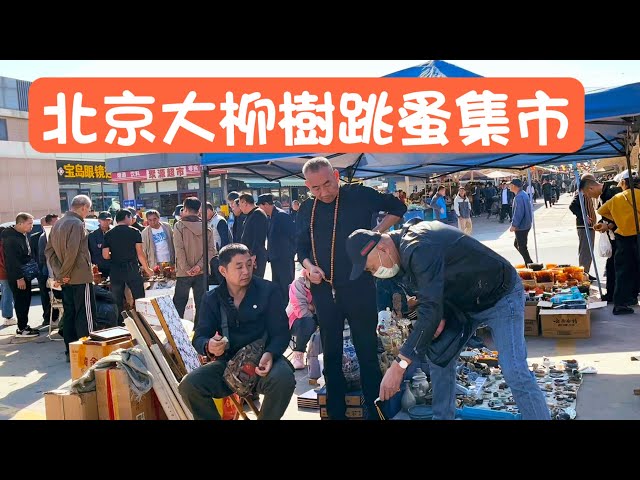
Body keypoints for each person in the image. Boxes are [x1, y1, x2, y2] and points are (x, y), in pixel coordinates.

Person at [345, 223, 551, 420]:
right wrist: (440, 314)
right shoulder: (397, 255)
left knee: (514, 370)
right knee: (439, 359)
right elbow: (432, 294)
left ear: (382, 248)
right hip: (462, 303)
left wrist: (399, 365)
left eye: (371, 268)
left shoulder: (418, 246)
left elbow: (430, 310)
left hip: (499, 294)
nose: (374, 273)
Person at [296, 157, 406, 420]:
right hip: (324, 289)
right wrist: (310, 266)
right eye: (315, 189)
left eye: (327, 184)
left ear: (336, 175)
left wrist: (375, 234)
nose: (323, 193)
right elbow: (300, 249)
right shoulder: (306, 209)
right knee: (331, 354)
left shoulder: (358, 194)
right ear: (307, 187)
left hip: (359, 287)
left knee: (367, 350)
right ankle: (335, 413)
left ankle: (375, 410)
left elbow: (398, 207)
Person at [178, 243, 295, 420]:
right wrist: (208, 345)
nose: (246, 271)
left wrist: (270, 354)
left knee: (284, 378)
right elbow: (200, 335)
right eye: (239, 267)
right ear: (223, 271)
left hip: (263, 362)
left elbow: (281, 333)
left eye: (249, 264)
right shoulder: (212, 298)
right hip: (229, 365)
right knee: (189, 385)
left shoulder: (268, 291)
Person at [46, 195, 97, 358]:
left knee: (69, 314)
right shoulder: (77, 223)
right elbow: (73, 251)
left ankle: (71, 352)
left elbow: (49, 252)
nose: (88, 212)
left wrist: (60, 274)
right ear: (83, 207)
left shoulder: (57, 224)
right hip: (79, 276)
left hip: (65, 278)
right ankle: (88, 352)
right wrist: (64, 274)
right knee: (86, 315)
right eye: (88, 209)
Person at [597, 170, 640, 315]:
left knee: (623, 272)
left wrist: (616, 218)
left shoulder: (617, 198)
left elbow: (601, 211)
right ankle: (632, 297)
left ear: (623, 183)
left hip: (623, 238)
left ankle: (620, 304)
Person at [102, 209, 154, 322]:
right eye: (131, 217)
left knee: (117, 300)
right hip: (132, 268)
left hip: (115, 269)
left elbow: (105, 255)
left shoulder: (108, 234)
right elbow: (140, 253)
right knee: (139, 298)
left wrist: (116, 255)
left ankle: (120, 325)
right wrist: (147, 269)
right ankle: (142, 323)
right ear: (127, 217)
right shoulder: (135, 232)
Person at [172, 197, 216, 326]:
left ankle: (177, 332)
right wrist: (198, 267)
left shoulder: (179, 226)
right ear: (199, 210)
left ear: (184, 209)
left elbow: (179, 249)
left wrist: (186, 268)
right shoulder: (207, 227)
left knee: (179, 303)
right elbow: (211, 251)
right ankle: (199, 332)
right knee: (201, 304)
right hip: (202, 272)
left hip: (183, 272)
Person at [580, 173, 622, 302]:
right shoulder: (603, 194)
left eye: (587, 194)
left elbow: (621, 215)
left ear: (591, 188)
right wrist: (601, 224)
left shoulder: (612, 192)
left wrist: (608, 226)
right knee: (612, 266)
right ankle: (613, 295)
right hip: (613, 235)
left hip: (622, 236)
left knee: (617, 266)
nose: (588, 196)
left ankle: (618, 297)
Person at [1, 213, 38, 337]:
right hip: (17, 276)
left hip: (24, 273)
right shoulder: (10, 238)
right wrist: (19, 278)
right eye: (29, 223)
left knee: (25, 300)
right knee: (21, 301)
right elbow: (11, 260)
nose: (31, 226)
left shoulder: (21, 234)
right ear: (20, 223)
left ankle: (24, 326)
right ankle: (22, 329)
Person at [257, 193, 296, 300]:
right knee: (277, 287)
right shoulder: (270, 217)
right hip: (275, 258)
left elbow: (294, 235)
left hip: (284, 258)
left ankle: (290, 311)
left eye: (259, 206)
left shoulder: (281, 216)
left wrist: (290, 253)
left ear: (265, 204)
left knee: (286, 286)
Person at [285, 270, 318, 370]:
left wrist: (312, 307)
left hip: (317, 316)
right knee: (308, 322)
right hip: (296, 321)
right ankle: (298, 353)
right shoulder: (298, 284)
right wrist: (314, 309)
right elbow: (301, 311)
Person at [35, 213, 60, 328]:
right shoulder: (44, 237)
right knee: (50, 296)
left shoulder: (58, 234)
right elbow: (42, 256)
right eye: (56, 221)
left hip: (56, 271)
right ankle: (50, 318)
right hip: (49, 271)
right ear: (49, 223)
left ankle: (56, 318)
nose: (58, 223)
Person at [569, 185, 598, 280]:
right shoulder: (580, 195)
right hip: (584, 226)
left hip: (589, 226)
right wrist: (584, 216)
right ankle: (582, 274)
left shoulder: (586, 195)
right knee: (585, 250)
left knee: (588, 250)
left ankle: (585, 272)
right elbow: (572, 206)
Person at [238, 193, 269, 278]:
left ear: (245, 203)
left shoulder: (258, 214)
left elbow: (258, 237)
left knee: (255, 280)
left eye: (240, 204)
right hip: (250, 255)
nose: (240, 208)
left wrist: (253, 255)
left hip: (256, 256)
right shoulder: (251, 214)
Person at [509, 179, 534, 266]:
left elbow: (518, 212)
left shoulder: (519, 197)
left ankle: (530, 264)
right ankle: (529, 262)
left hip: (521, 225)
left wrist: (514, 225)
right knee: (517, 244)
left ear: (515, 186)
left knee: (522, 247)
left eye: (510, 185)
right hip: (526, 224)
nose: (509, 187)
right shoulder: (523, 194)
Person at [88, 211, 112, 279]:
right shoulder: (92, 235)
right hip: (99, 268)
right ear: (99, 220)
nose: (106, 222)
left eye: (108, 220)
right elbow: (91, 252)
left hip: (113, 267)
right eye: (103, 220)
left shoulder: (114, 233)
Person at [0, 223, 16, 326]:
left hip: (1, 273)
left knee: (5, 293)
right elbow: (4, 261)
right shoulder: (2, 244)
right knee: (8, 294)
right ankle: (8, 316)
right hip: (5, 272)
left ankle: (6, 315)